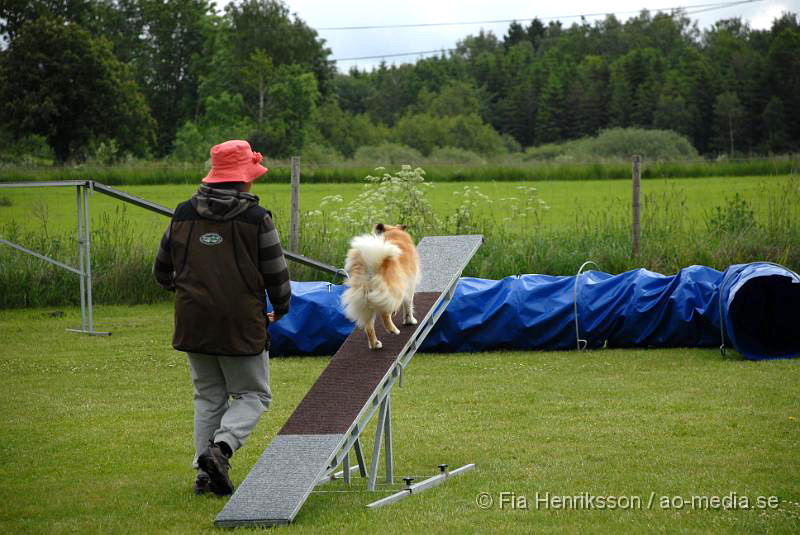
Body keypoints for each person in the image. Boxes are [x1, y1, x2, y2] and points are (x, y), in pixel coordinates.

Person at [153, 139, 291, 496]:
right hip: (240, 323)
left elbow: (161, 270)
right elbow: (276, 273)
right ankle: (222, 449)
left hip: (193, 321)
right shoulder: (256, 218)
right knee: (253, 395)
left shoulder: (182, 214)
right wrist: (282, 306)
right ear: (244, 179)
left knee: (208, 397)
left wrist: (189, 296)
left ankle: (203, 476)